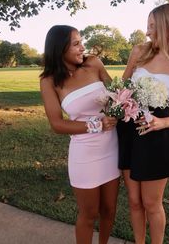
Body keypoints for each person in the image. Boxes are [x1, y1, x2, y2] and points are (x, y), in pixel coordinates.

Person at [117, 2, 169, 244]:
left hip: (156, 136)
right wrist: (113, 107)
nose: (147, 32)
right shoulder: (139, 52)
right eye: (147, 25)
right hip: (128, 132)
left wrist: (163, 124)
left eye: (153, 26)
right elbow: (121, 90)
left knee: (151, 203)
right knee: (134, 201)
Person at [40, 25, 120, 244]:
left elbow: (118, 95)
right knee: (89, 214)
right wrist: (97, 125)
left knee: (109, 209)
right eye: (76, 43)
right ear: (60, 48)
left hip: (111, 148)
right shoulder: (49, 81)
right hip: (84, 155)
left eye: (81, 42)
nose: (82, 47)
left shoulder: (94, 63)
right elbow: (57, 124)